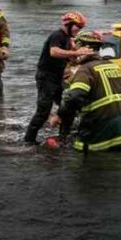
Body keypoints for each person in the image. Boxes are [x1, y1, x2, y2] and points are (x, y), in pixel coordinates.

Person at [50, 30, 121, 152]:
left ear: (86, 48)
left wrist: (59, 115)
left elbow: (73, 97)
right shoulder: (114, 66)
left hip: (100, 137)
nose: (75, 52)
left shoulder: (85, 70)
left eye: (77, 48)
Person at [23, 11, 93, 144]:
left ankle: (63, 137)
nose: (79, 30)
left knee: (68, 106)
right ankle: (29, 140)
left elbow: (74, 60)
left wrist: (86, 55)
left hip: (58, 78)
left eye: (81, 28)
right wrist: (75, 51)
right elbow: (54, 52)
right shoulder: (57, 35)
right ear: (69, 24)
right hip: (46, 77)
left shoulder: (68, 39)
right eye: (78, 27)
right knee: (43, 111)